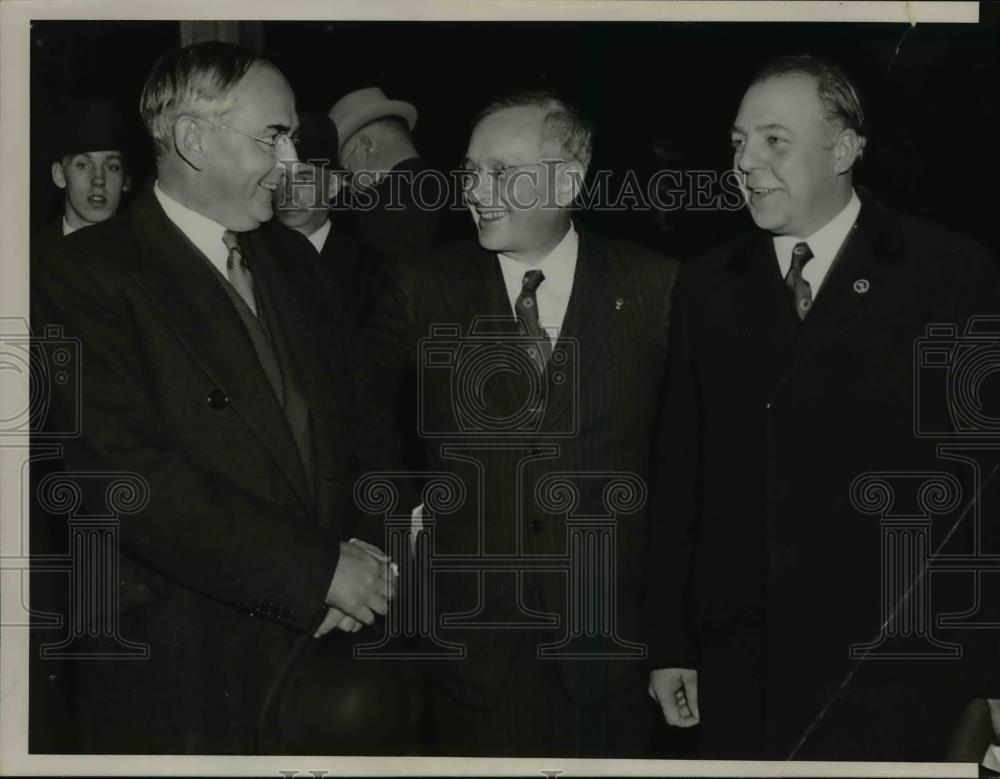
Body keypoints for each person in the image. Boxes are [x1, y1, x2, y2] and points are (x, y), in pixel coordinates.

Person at [30, 41, 411, 755]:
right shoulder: (71, 274)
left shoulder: (295, 261)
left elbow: (368, 429)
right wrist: (317, 570)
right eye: (274, 135)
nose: (294, 161)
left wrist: (365, 557)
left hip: (326, 656)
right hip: (181, 669)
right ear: (192, 140)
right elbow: (128, 476)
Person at [646, 54, 1000, 761]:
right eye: (739, 142)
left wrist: (992, 668)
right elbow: (680, 476)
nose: (747, 162)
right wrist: (670, 644)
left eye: (774, 140)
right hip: (744, 670)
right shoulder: (707, 284)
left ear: (843, 150)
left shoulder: (950, 273)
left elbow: (984, 486)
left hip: (898, 669)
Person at [365, 89, 680, 757]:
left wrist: (677, 638)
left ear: (568, 179)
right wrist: (404, 539)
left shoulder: (658, 288)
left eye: (501, 173)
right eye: (470, 171)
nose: (477, 190)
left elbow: (689, 470)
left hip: (611, 652)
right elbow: (361, 430)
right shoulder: (421, 290)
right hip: (470, 652)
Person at [329, 86, 443, 266]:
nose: (348, 186)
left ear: (365, 146)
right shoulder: (445, 186)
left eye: (346, 171)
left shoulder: (386, 209)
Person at [35, 99, 132, 248]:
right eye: (82, 165)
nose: (99, 179)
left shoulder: (150, 258)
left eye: (112, 167)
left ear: (126, 180)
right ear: (60, 175)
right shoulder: (31, 258)